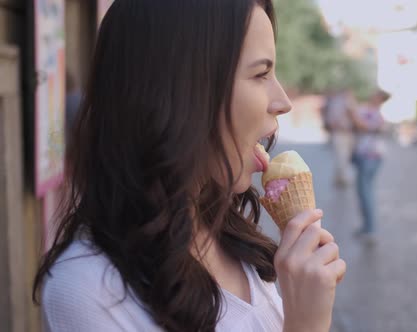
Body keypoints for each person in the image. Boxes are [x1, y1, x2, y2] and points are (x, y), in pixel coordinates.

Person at [33, 1, 346, 331]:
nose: (283, 102)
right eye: (261, 74)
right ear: (179, 92)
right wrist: (306, 324)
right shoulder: (86, 289)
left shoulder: (232, 235)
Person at [350, 90, 389, 245]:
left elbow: (361, 125)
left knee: (366, 193)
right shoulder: (370, 110)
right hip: (366, 156)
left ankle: (370, 229)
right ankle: (366, 226)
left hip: (370, 157)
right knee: (363, 192)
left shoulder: (376, 114)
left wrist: (352, 109)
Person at [322, 88, 356, 188]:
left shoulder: (335, 103)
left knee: (342, 156)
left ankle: (339, 178)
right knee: (342, 156)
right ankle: (342, 178)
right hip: (342, 133)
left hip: (343, 133)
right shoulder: (342, 103)